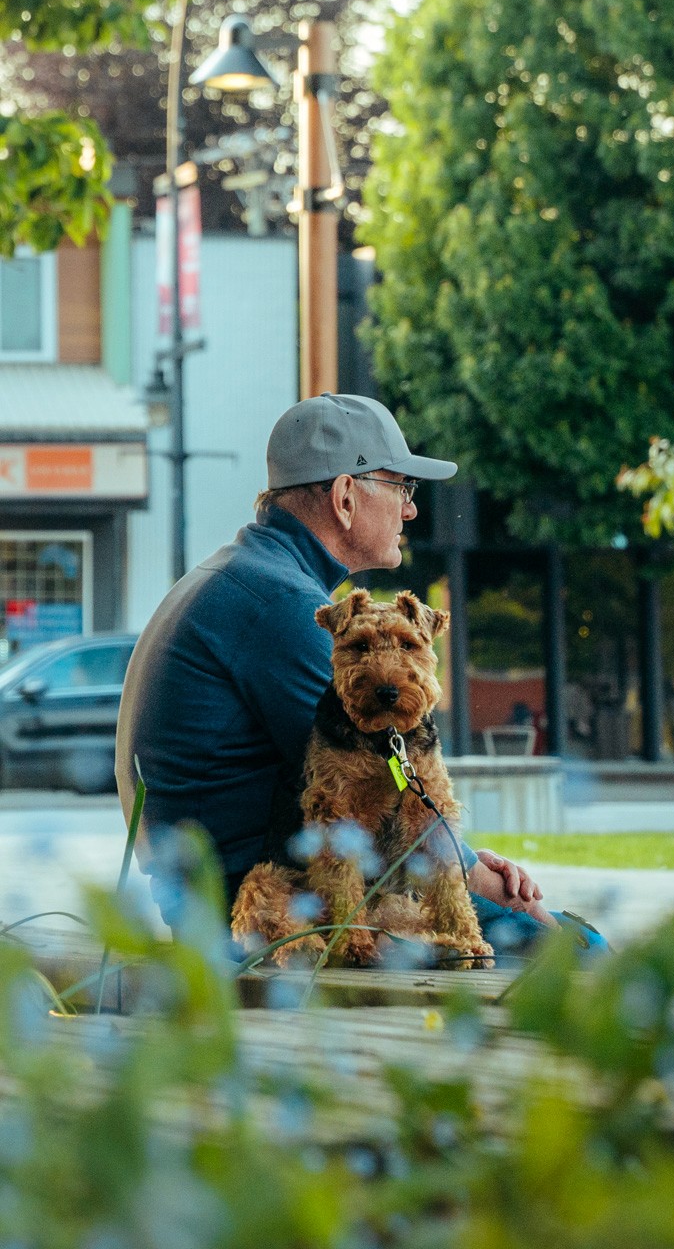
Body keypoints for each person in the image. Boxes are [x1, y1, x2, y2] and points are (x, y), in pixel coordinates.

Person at [117, 392, 601, 957]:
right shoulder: (282, 606)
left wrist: (463, 855)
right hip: (269, 921)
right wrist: (492, 884)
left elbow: (394, 796)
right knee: (583, 948)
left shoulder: (245, 576)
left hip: (221, 901)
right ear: (347, 496)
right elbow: (391, 790)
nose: (411, 511)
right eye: (402, 489)